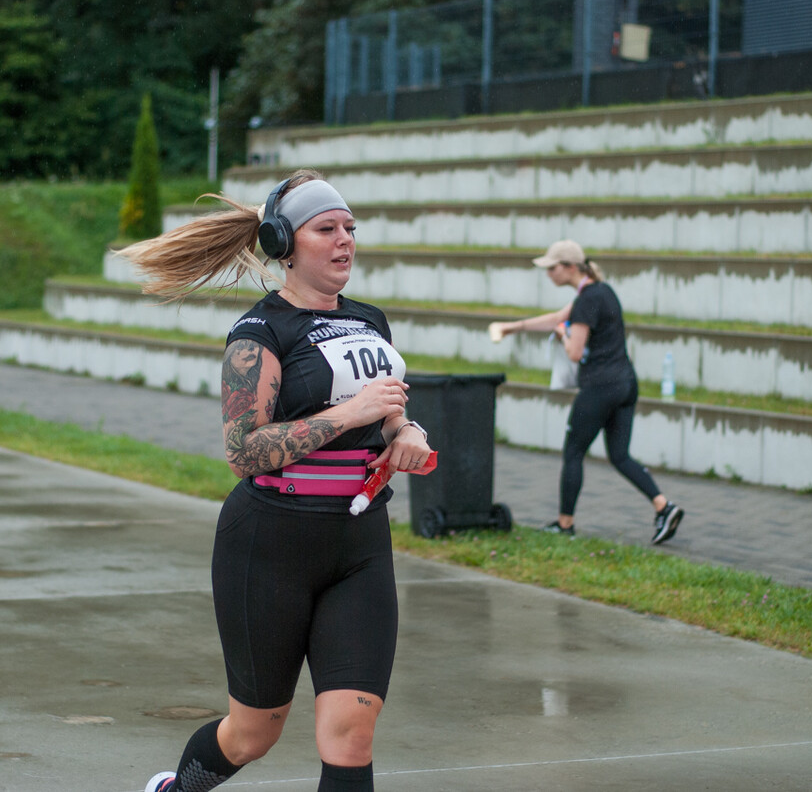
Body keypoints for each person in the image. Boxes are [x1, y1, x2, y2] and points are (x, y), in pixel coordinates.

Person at [118, 169, 433, 792]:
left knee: (352, 733)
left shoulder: (371, 321)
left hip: (359, 544)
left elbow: (388, 410)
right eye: (327, 228)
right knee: (252, 734)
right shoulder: (258, 334)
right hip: (269, 545)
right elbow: (242, 451)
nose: (345, 240)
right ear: (284, 243)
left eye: (350, 228)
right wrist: (351, 414)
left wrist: (406, 431)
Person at [489, 239, 683, 545]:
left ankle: (565, 525)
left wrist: (562, 335)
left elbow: (575, 352)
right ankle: (664, 507)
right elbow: (557, 317)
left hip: (600, 387)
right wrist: (512, 327)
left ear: (570, 267)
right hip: (625, 383)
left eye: (552, 268)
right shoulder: (602, 291)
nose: (548, 274)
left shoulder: (586, 300)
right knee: (620, 455)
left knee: (573, 452)